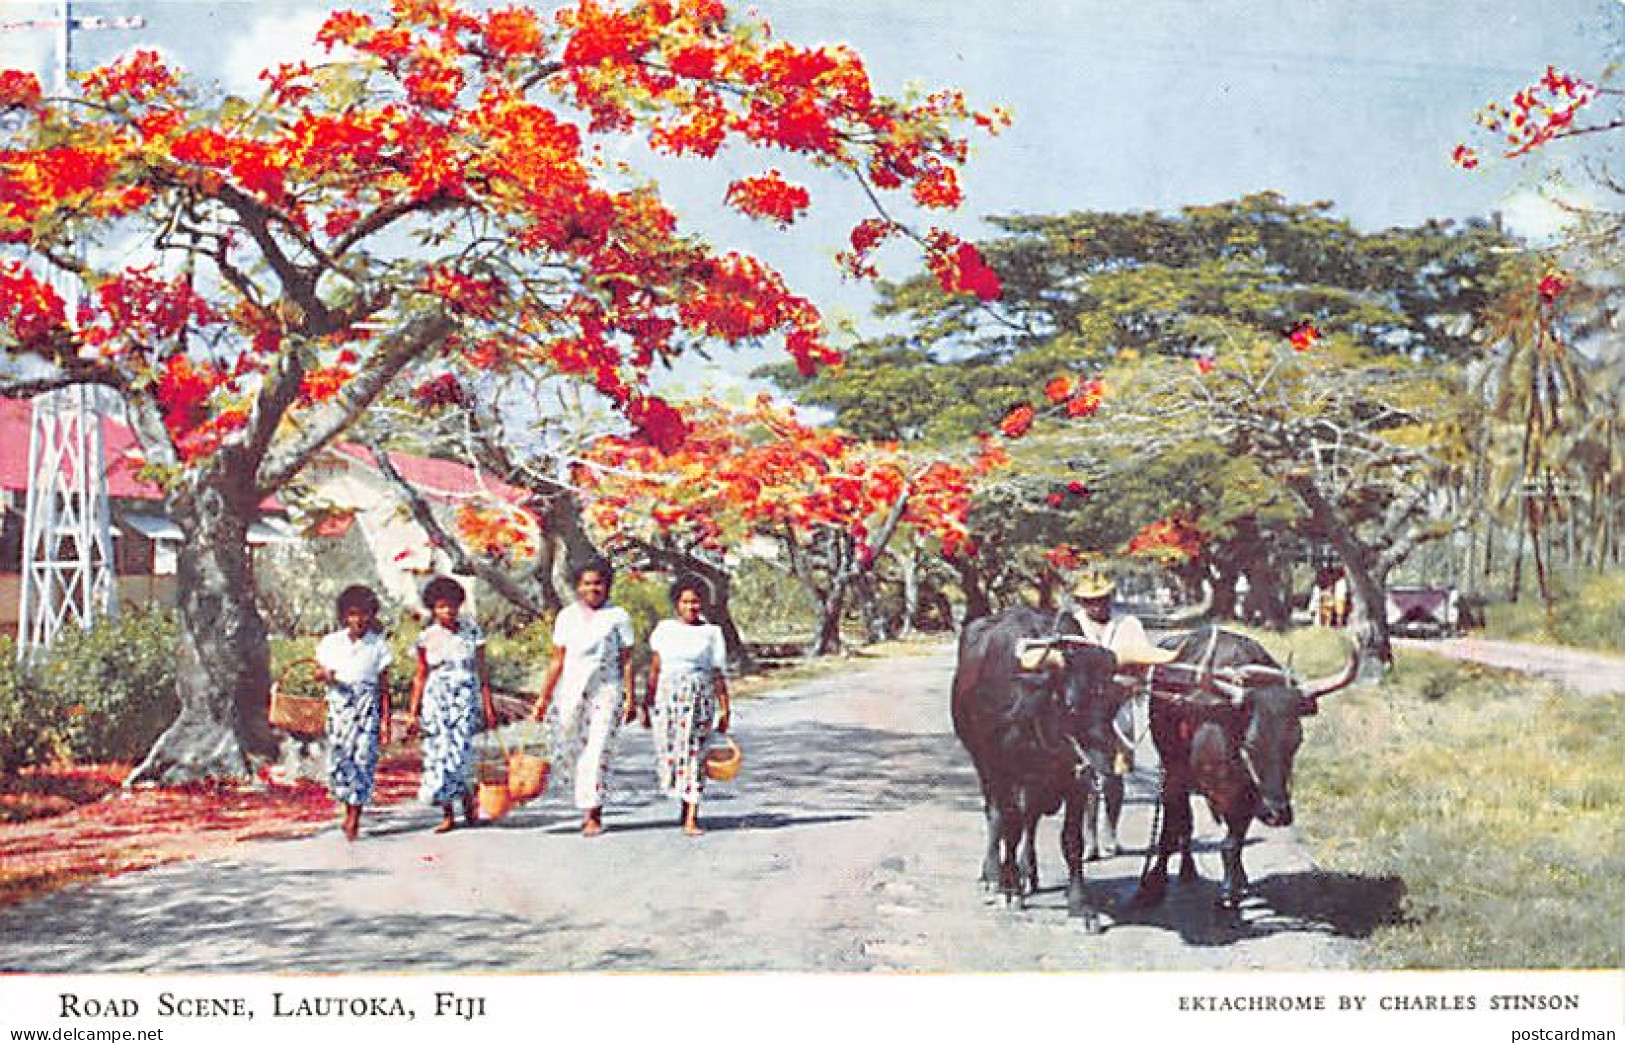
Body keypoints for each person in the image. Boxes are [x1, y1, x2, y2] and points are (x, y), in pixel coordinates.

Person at [1071, 570, 1176, 858]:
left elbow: (1142, 659)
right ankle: (1088, 834)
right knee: (1087, 773)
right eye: (1090, 601)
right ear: (1080, 602)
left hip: (1118, 705)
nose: (1097, 606)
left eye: (1102, 599)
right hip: (1083, 708)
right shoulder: (1073, 625)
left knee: (1114, 773)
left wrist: (1135, 682)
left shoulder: (1128, 624)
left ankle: (1110, 831)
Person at [533, 558, 636, 837]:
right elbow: (557, 660)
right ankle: (584, 801)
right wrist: (543, 698)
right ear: (578, 586)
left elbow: (627, 661)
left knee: (598, 749)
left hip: (607, 689)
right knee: (572, 748)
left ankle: (593, 813)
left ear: (607, 586)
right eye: (587, 583)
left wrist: (631, 697)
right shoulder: (567, 617)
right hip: (571, 691)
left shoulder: (618, 616)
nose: (593, 589)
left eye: (599, 583)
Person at [406, 576, 496, 834]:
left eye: (452, 605)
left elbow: (482, 671)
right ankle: (447, 814)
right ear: (433, 608)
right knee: (439, 754)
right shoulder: (426, 637)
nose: (448, 611)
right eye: (442, 606)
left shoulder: (472, 631)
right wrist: (413, 713)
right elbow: (420, 675)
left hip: (465, 697)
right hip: (437, 700)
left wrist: (488, 705)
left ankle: (470, 808)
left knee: (463, 752)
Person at [643, 575, 731, 836]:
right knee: (671, 753)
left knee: (694, 753)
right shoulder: (664, 630)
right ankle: (684, 802)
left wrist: (725, 707)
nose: (692, 607)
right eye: (686, 602)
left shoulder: (711, 633)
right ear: (677, 604)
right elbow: (655, 668)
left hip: (698, 698)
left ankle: (692, 814)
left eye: (696, 602)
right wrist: (645, 703)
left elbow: (717, 673)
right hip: (667, 699)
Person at [314, 585, 393, 842]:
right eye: (353, 614)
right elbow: (317, 672)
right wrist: (326, 676)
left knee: (363, 760)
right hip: (340, 709)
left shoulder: (378, 646)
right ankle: (345, 806)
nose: (358, 620)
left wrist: (386, 720)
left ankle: (354, 817)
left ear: (372, 615)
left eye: (364, 614)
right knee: (340, 761)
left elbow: (384, 687)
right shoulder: (331, 643)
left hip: (366, 710)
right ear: (344, 616)